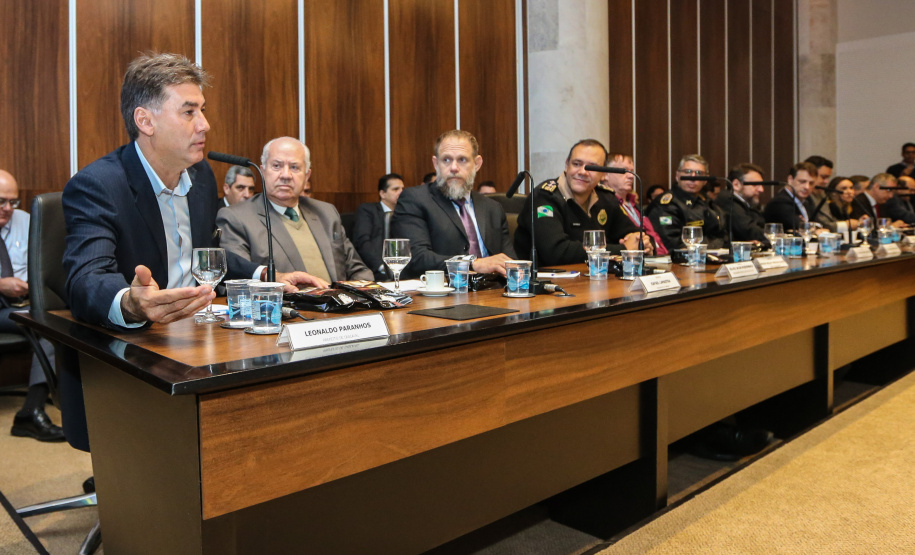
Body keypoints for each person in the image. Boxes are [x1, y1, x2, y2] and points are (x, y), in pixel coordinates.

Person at [62, 53, 325, 332]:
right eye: (189, 112)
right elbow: (85, 279)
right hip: (137, 341)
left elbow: (207, 255)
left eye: (203, 110)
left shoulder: (201, 177)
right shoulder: (98, 185)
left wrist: (265, 275)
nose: (204, 124)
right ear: (145, 121)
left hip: (200, 331)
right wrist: (130, 302)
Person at [218, 137, 372, 282]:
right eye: (277, 166)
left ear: (306, 175)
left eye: (294, 167)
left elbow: (358, 270)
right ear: (263, 171)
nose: (286, 175)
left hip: (339, 306)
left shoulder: (326, 213)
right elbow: (240, 280)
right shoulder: (237, 217)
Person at [392, 130, 516, 278]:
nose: (454, 168)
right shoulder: (415, 199)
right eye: (446, 160)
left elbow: (508, 261)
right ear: (436, 164)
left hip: (492, 293)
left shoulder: (493, 208)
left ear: (477, 164)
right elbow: (418, 258)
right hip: (441, 294)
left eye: (462, 160)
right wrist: (472, 263)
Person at [0, 170, 64, 441]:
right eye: (1, 201)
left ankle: (31, 410)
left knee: (52, 325)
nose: (8, 209)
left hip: (22, 304)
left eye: (13, 202)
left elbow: (44, 263)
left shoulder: (26, 221)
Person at [514, 141, 649, 265]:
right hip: (546, 284)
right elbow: (556, 252)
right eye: (576, 164)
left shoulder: (606, 198)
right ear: (567, 165)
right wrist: (623, 249)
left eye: (591, 167)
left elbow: (637, 236)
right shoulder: (544, 196)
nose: (582, 172)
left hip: (594, 280)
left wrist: (642, 241)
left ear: (603, 174)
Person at [648, 154, 725, 250]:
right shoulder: (666, 204)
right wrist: (713, 245)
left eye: (699, 173)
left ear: (705, 180)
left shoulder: (705, 200)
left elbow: (722, 233)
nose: (693, 177)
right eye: (687, 172)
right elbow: (673, 244)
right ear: (677, 176)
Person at [603, 153, 667, 255]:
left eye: (631, 171)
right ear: (605, 175)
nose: (630, 176)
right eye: (623, 171)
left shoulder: (634, 204)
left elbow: (652, 235)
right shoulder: (605, 204)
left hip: (659, 256)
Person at [352, 173, 405, 281]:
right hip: (376, 270)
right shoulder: (367, 210)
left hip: (401, 271)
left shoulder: (405, 214)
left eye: (402, 189)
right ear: (382, 193)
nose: (401, 192)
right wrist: (381, 266)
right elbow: (362, 242)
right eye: (395, 189)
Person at [714, 163, 770, 247]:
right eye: (755, 184)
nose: (761, 189)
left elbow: (760, 225)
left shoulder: (748, 202)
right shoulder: (727, 200)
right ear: (736, 185)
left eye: (761, 185)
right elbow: (749, 231)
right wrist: (775, 239)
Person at [762, 162, 818, 233]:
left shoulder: (808, 201)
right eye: (802, 182)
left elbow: (817, 224)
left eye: (811, 183)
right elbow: (802, 228)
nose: (807, 187)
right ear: (790, 180)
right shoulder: (780, 202)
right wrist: (812, 228)